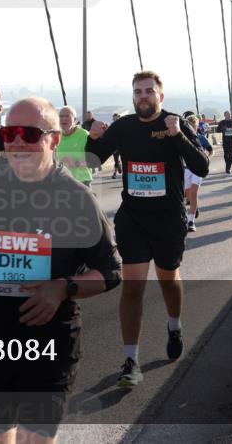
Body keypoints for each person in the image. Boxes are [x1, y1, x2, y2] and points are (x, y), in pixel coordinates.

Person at [0, 98, 122, 442]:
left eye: (28, 134)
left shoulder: (76, 198)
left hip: (50, 345)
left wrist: (62, 288)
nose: (15, 142)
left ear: (54, 140)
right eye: (9, 132)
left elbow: (111, 270)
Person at [85, 71, 210, 387]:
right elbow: (92, 160)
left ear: (160, 96)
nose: (143, 96)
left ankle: (174, 325)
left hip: (168, 220)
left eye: (149, 91)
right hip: (133, 219)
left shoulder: (174, 123)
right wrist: (93, 137)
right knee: (133, 288)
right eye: (138, 91)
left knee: (168, 280)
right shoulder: (123, 126)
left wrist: (178, 135)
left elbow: (202, 167)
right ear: (133, 96)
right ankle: (131, 361)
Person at [183, 114, 212, 233]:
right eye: (189, 126)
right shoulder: (182, 138)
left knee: (193, 194)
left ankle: (191, 222)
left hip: (197, 169)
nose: (192, 128)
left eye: (194, 126)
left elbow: (210, 150)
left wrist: (206, 159)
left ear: (197, 126)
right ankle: (195, 207)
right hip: (185, 169)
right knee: (188, 194)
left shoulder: (201, 138)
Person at [57, 106, 93, 187]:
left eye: (67, 116)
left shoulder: (84, 135)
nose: (64, 119)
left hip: (82, 182)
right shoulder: (56, 136)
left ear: (75, 119)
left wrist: (75, 163)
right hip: (62, 182)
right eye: (61, 116)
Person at [111, 112, 123, 179]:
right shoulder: (112, 125)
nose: (115, 120)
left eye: (116, 118)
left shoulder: (123, 125)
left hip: (122, 146)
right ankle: (115, 173)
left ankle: (120, 167)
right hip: (115, 146)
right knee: (116, 160)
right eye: (114, 119)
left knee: (124, 159)